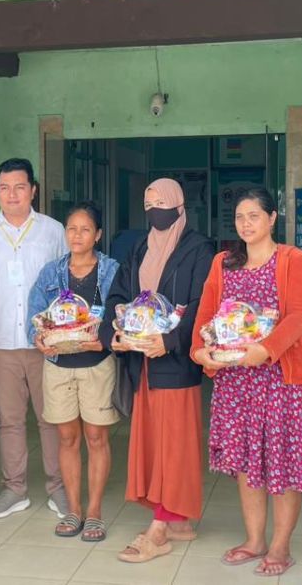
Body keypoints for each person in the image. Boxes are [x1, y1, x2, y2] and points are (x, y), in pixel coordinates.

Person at [190, 187, 302, 577]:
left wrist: (266, 350)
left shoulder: (293, 260)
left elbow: (299, 315)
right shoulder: (223, 262)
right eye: (239, 217)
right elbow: (206, 312)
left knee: (283, 462)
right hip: (236, 383)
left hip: (282, 381)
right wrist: (199, 349)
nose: (245, 224)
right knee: (248, 462)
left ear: (272, 218)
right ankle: (254, 540)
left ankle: (280, 545)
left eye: (254, 216)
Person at [100, 178, 214, 564]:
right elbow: (117, 296)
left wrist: (170, 340)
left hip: (174, 363)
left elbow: (202, 304)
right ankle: (177, 519)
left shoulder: (198, 249)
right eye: (148, 204)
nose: (154, 211)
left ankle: (160, 528)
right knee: (152, 441)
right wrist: (113, 333)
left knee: (174, 444)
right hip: (142, 361)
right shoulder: (139, 248)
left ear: (179, 206)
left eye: (161, 203)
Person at [0, 157, 68, 519]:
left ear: (32, 190)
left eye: (19, 187)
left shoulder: (53, 231)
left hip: (44, 343)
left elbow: (67, 286)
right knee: (9, 420)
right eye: (4, 188)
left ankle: (58, 486)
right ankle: (14, 489)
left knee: (51, 418)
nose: (11, 194)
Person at [28, 201, 120, 542]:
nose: (77, 235)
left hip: (97, 365)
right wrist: (38, 338)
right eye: (71, 229)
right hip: (58, 366)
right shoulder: (51, 272)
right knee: (67, 438)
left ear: (97, 234)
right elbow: (35, 314)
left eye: (85, 229)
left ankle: (94, 512)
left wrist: (105, 339)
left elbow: (121, 312)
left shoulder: (112, 270)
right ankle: (74, 510)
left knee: (96, 438)